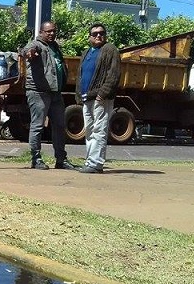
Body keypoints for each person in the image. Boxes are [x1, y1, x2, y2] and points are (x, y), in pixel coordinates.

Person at [20, 21, 78, 170]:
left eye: (54, 31)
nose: (52, 33)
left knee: (59, 125)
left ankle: (61, 159)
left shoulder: (55, 47)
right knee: (38, 126)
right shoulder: (36, 44)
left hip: (55, 92)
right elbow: (26, 50)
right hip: (39, 92)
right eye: (48, 31)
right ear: (41, 32)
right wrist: (29, 53)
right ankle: (36, 158)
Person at [76, 23, 122, 174]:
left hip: (100, 98)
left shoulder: (110, 49)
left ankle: (96, 163)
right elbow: (80, 75)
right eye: (94, 34)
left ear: (105, 35)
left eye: (101, 33)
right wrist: (79, 96)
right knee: (89, 131)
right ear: (89, 37)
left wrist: (103, 93)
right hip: (86, 98)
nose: (98, 36)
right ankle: (90, 161)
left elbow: (113, 74)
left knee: (99, 130)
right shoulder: (86, 52)